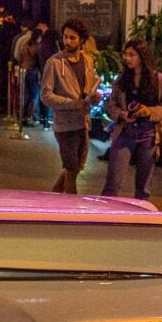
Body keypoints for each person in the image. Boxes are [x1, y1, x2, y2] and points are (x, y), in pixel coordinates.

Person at [101, 40, 162, 200]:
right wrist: (122, 114)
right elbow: (111, 105)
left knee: (144, 186)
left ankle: (142, 217)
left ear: (142, 56)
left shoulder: (158, 79)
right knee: (113, 181)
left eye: (132, 55)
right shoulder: (122, 80)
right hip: (126, 131)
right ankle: (105, 214)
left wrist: (148, 111)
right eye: (125, 55)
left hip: (148, 134)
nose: (127, 58)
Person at [40, 18, 101, 194]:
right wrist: (73, 104)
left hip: (83, 122)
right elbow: (46, 96)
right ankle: (70, 208)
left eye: (72, 38)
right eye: (65, 37)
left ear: (82, 39)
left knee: (73, 169)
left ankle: (51, 202)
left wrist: (92, 96)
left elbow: (86, 88)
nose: (67, 41)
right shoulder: (55, 63)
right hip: (65, 125)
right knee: (71, 168)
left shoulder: (87, 60)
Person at [13, 23, 42, 126]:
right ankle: (31, 116)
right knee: (35, 95)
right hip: (33, 72)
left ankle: (21, 116)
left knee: (24, 94)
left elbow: (18, 56)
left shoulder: (25, 44)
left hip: (23, 70)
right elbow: (39, 61)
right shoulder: (37, 47)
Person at [32, 19, 57, 127]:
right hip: (51, 73)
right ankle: (48, 119)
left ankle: (43, 118)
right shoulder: (53, 48)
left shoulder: (42, 46)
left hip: (43, 72)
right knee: (50, 96)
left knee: (44, 95)